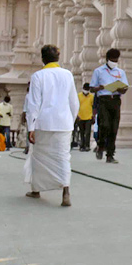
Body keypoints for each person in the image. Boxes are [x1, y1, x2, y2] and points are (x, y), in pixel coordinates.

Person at [24, 44, 78, 206]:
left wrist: (30, 127)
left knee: (38, 157)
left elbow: (33, 104)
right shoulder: (67, 74)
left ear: (42, 58)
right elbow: (73, 102)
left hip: (43, 123)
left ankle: (36, 190)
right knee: (63, 157)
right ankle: (66, 191)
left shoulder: (38, 76)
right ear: (58, 58)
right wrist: (71, 120)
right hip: (64, 123)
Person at [90, 48, 128, 163]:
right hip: (103, 100)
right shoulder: (98, 71)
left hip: (115, 100)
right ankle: (101, 145)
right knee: (104, 125)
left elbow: (125, 89)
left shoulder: (120, 72)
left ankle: (110, 155)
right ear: (107, 59)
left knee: (113, 128)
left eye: (116, 60)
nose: (114, 61)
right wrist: (99, 88)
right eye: (112, 59)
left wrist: (120, 89)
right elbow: (92, 88)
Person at [75, 83, 94, 152]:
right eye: (86, 89)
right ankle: (82, 146)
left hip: (89, 117)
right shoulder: (78, 96)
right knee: (81, 132)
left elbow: (93, 107)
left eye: (88, 89)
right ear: (83, 89)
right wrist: (76, 116)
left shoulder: (91, 96)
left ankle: (87, 146)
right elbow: (76, 106)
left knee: (88, 132)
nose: (86, 91)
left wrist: (93, 116)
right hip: (80, 117)